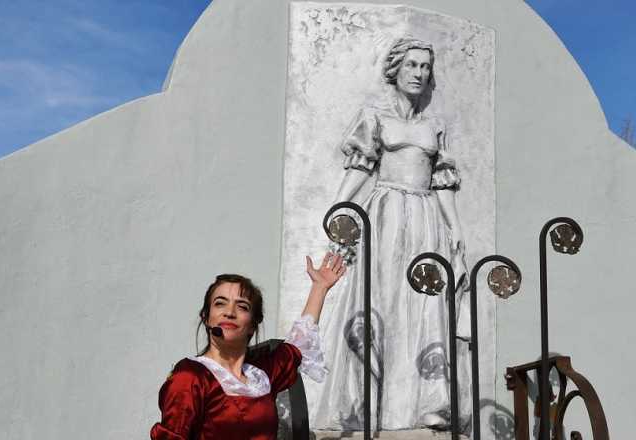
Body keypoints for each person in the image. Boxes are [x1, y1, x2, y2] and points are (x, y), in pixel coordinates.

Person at [308, 37, 470, 431]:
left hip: (425, 218)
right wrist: (339, 209)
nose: (419, 73)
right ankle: (364, 402)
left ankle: (432, 402)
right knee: (377, 301)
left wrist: (455, 229)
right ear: (395, 69)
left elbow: (441, 182)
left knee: (427, 308)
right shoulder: (376, 117)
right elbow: (360, 167)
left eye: (425, 67)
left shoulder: (435, 126)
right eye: (412, 65)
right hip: (385, 216)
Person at [150, 252, 347, 439]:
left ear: (253, 324)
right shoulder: (191, 377)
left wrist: (319, 288)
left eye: (242, 306)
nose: (229, 312)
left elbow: (298, 346)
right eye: (220, 303)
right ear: (206, 318)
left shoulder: (260, 375)